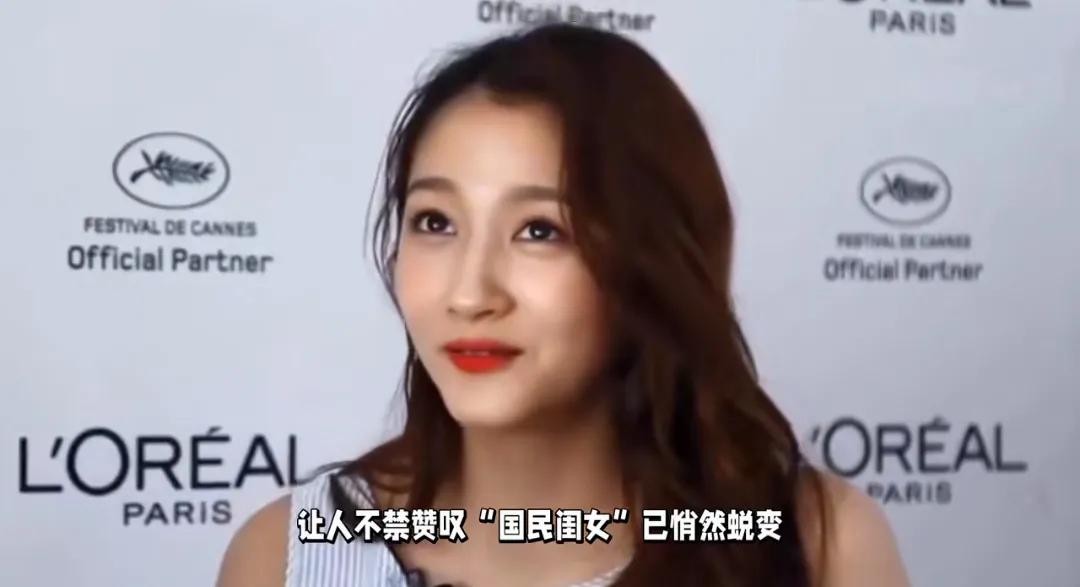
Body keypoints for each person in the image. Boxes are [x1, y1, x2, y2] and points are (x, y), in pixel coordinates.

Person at [216, 22, 910, 587]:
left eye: (540, 230)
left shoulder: (815, 545)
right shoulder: (289, 553)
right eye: (435, 222)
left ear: (652, 260)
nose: (470, 293)